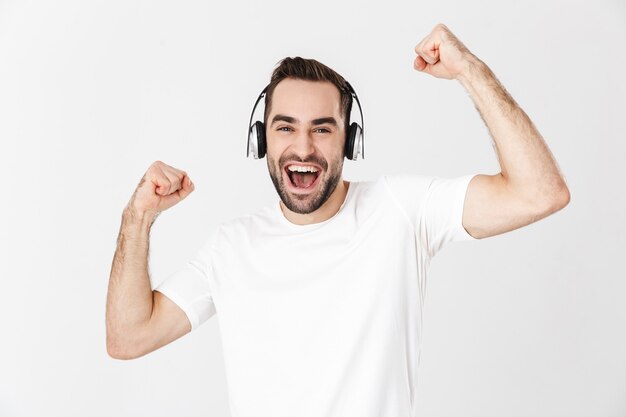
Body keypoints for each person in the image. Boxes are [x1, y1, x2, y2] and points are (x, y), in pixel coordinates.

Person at [106, 24, 570, 417]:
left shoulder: (402, 211)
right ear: (260, 140)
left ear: (349, 142)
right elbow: (127, 337)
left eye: (322, 128)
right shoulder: (231, 247)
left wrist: (470, 68)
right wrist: (139, 215)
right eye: (285, 126)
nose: (303, 148)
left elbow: (540, 192)